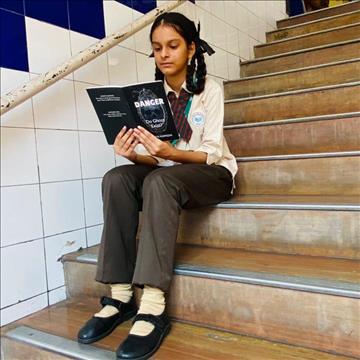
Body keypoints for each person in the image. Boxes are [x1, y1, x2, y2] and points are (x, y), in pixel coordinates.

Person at [77, 12, 238, 360]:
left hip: (212, 174)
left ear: (191, 48)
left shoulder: (210, 90)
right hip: (168, 176)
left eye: (173, 46)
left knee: (163, 180)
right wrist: (133, 155)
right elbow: (157, 162)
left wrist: (169, 154)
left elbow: (209, 153)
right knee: (116, 178)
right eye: (157, 48)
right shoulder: (149, 97)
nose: (164, 54)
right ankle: (120, 295)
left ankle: (152, 304)